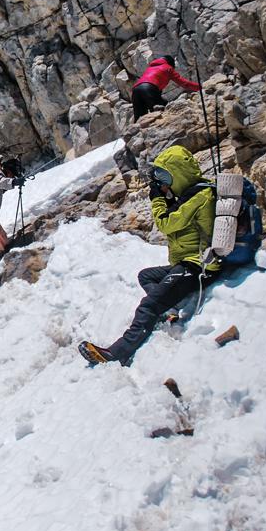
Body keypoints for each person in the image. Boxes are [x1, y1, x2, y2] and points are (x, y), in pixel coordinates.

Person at [78, 145, 220, 367]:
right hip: (189, 262)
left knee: (148, 305)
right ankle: (169, 311)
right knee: (147, 276)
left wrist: (157, 198)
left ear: (179, 173)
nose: (163, 181)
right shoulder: (192, 194)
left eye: (165, 175)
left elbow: (165, 223)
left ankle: (118, 352)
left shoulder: (199, 196)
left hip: (199, 266)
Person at [132, 54, 200, 119]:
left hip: (136, 90)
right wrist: (199, 87)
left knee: (139, 118)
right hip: (149, 89)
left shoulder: (150, 68)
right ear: (171, 64)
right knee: (162, 110)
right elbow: (184, 83)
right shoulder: (168, 67)